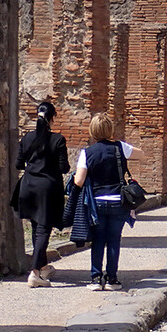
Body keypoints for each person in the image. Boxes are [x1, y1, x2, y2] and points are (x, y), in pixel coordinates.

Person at [71, 113, 145, 291]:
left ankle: (96, 279)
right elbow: (141, 155)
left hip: (96, 203)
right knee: (114, 240)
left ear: (92, 131)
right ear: (110, 129)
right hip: (118, 201)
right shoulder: (120, 148)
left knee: (98, 240)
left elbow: (79, 181)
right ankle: (112, 279)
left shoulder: (87, 153)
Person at [14, 102, 70, 288]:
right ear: (52, 118)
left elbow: (18, 165)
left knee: (36, 227)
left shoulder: (27, 138)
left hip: (28, 186)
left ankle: (43, 266)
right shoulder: (58, 140)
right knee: (44, 229)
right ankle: (35, 272)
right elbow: (64, 168)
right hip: (47, 188)